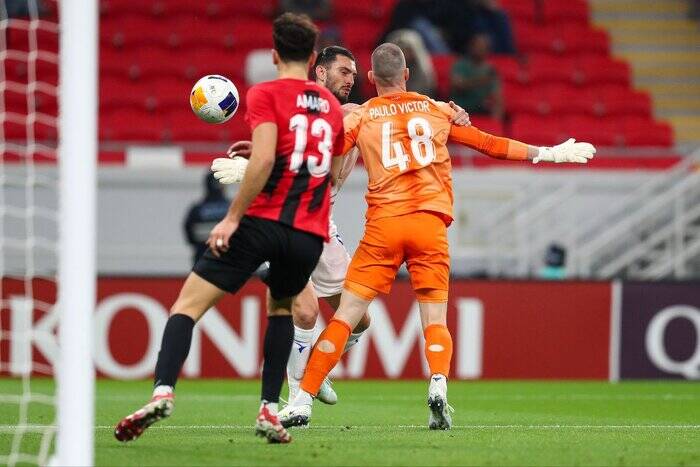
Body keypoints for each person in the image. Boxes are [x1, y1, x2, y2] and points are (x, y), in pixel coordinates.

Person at [277, 43, 595, 430]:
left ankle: (302, 402)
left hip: (385, 225)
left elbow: (318, 154)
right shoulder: (437, 109)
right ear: (408, 74)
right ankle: (439, 385)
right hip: (429, 224)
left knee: (346, 315)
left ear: (373, 79)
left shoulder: (362, 116)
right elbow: (491, 145)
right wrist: (550, 153)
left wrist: (255, 166)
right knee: (434, 316)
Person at [114, 13, 345, 445]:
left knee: (187, 305)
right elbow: (321, 171)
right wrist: (267, 152)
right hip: (308, 234)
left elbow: (263, 164)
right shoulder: (330, 107)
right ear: (313, 57)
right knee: (281, 312)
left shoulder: (265, 93)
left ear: (275, 55)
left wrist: (233, 215)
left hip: (263, 222)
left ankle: (163, 391)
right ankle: (269, 410)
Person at [212, 45, 473, 407]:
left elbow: (405, 116)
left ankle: (316, 374)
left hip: (323, 227)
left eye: (354, 73)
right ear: (320, 73)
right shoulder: (300, 109)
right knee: (305, 311)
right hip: (288, 223)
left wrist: (451, 111)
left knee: (362, 321)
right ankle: (296, 396)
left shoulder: (357, 114)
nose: (350, 79)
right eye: (343, 72)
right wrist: (257, 161)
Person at [451, 33, 504, 119]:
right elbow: (457, 85)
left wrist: (496, 121)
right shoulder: (460, 65)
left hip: (481, 111)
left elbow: (497, 97)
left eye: (483, 47)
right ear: (471, 47)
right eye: (477, 46)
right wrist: (480, 81)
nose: (480, 49)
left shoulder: (490, 70)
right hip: (460, 110)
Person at [183, 173, 230, 266]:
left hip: (202, 260)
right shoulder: (232, 209)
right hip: (227, 260)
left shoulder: (197, 210)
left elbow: (189, 232)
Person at [386, 29, 437, 96]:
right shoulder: (389, 68)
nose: (404, 52)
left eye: (407, 49)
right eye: (400, 49)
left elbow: (422, 91)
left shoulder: (423, 71)